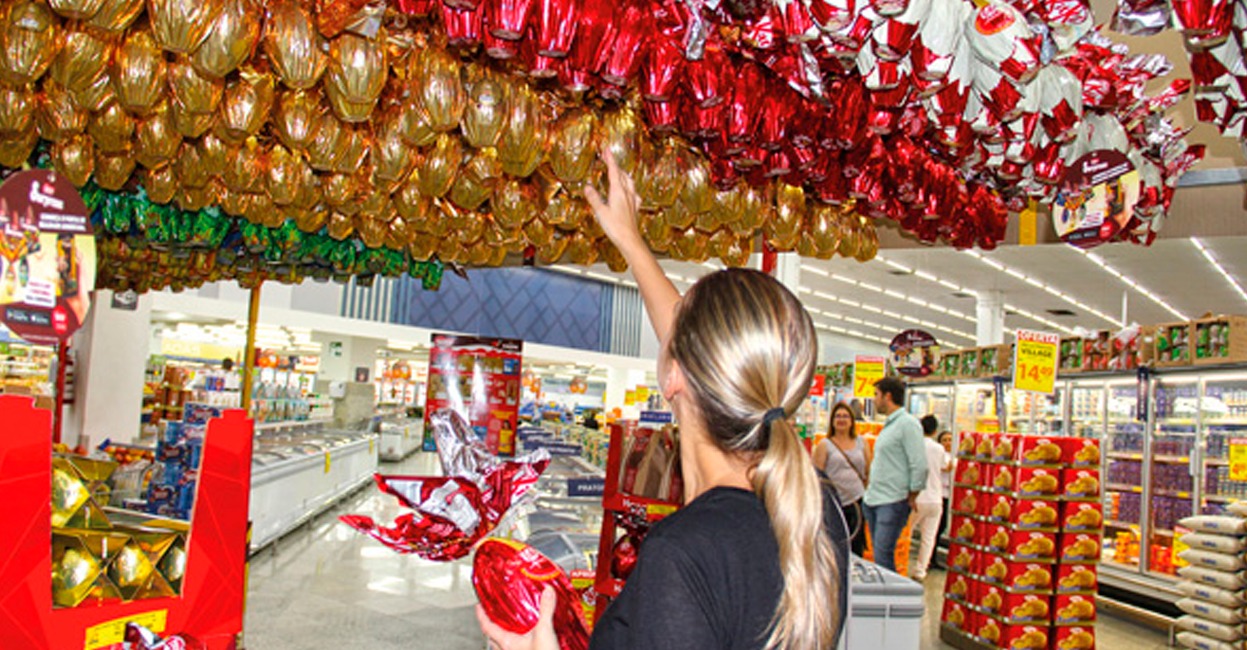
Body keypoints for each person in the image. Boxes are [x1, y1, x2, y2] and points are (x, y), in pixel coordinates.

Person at [477, 151, 848, 650]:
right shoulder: (815, 515)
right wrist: (630, 241)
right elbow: (692, 340)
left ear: (674, 377)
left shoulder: (683, 557)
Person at [862, 376, 927, 573]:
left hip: (892, 501)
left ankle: (887, 598)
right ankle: (883, 596)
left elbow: (919, 464)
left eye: (876, 395)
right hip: (874, 499)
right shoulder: (890, 425)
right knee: (879, 554)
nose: (874, 399)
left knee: (883, 556)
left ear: (887, 396)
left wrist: (913, 493)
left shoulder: (908, 424)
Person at [813, 401, 872, 557]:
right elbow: (817, 475)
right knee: (835, 543)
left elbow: (868, 469)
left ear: (852, 421)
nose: (841, 420)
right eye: (838, 416)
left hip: (857, 501)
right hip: (833, 502)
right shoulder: (825, 445)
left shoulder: (862, 442)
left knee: (856, 543)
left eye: (845, 416)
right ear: (832, 421)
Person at [910, 415, 951, 581]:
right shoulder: (939, 449)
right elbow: (944, 467)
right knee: (929, 538)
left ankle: (901, 564)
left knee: (907, 533)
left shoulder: (914, 446)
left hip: (916, 497)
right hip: (936, 498)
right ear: (935, 431)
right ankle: (920, 571)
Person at [933, 430, 955, 568]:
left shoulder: (955, 457)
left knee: (943, 525)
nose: (948, 443)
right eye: (945, 440)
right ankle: (932, 557)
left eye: (950, 440)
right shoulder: (939, 455)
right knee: (937, 526)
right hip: (939, 494)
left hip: (950, 496)